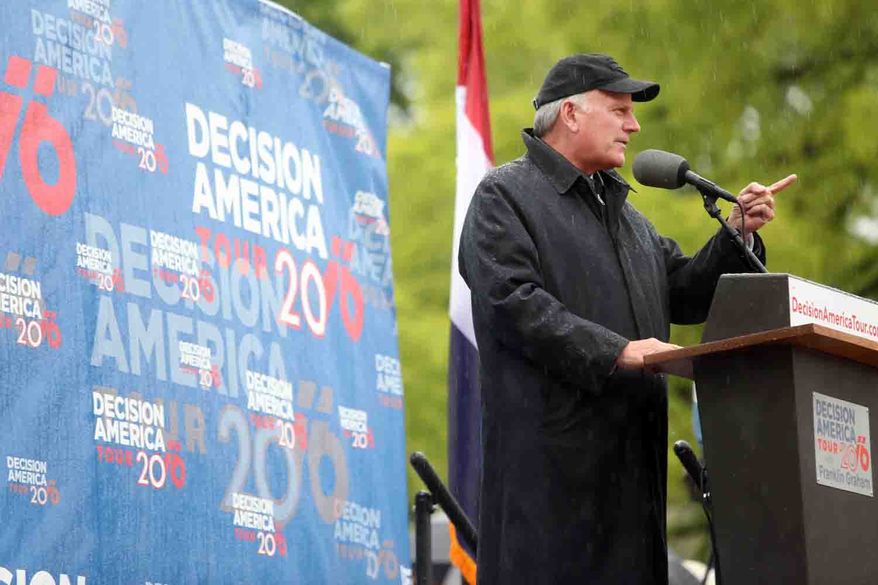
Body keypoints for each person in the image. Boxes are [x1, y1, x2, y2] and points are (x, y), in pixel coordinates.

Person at [458, 53, 796, 585]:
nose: (634, 125)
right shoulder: (504, 196)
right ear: (570, 113)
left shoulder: (631, 221)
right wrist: (617, 350)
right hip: (550, 502)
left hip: (632, 501)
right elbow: (512, 302)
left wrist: (737, 234)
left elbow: (685, 294)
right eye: (619, 110)